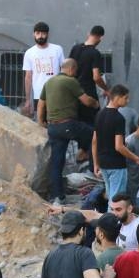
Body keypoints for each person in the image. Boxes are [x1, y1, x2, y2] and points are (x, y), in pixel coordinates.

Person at [39, 58, 99, 204]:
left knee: (57, 162)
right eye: (76, 71)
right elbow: (86, 101)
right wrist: (95, 103)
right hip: (68, 125)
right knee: (94, 136)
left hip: (53, 128)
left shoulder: (49, 82)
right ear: (72, 69)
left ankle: (57, 197)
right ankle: (93, 171)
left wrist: (41, 122)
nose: (76, 73)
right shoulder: (70, 81)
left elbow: (41, 104)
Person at [93, 84, 139, 199]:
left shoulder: (99, 114)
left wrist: (96, 163)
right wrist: (137, 159)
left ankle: (108, 217)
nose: (128, 101)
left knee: (111, 198)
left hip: (103, 164)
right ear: (117, 98)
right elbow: (119, 146)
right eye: (125, 98)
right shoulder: (119, 118)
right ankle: (112, 217)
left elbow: (94, 141)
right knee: (116, 200)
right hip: (116, 165)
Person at [23, 21, 64, 118]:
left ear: (47, 34)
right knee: (41, 122)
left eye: (43, 33)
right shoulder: (29, 53)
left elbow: (64, 70)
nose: (40, 36)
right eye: (38, 33)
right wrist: (28, 100)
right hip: (39, 95)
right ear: (34, 34)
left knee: (56, 120)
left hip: (57, 93)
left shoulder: (57, 49)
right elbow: (28, 77)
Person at [69, 25, 109, 125]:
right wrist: (106, 89)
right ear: (101, 38)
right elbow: (96, 77)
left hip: (73, 93)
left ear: (88, 34)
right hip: (88, 93)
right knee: (91, 125)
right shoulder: (95, 53)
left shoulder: (75, 48)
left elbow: (68, 68)